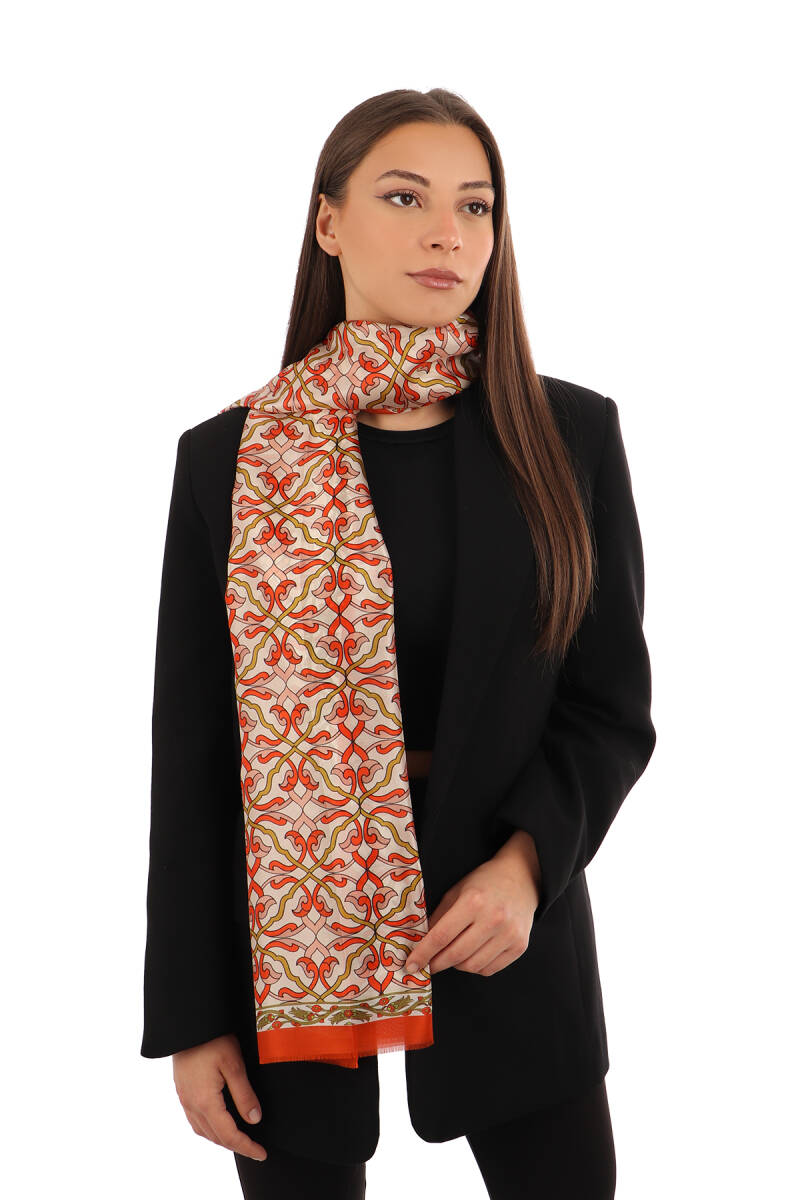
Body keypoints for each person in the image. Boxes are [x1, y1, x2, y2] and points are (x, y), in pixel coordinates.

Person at [140, 87, 656, 1200]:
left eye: (476, 206)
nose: (447, 234)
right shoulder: (227, 460)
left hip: (507, 931)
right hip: (285, 956)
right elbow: (193, 757)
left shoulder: (566, 435)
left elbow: (608, 707)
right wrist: (190, 1016)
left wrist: (527, 869)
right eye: (406, 198)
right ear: (328, 222)